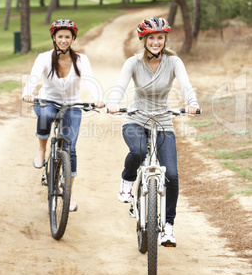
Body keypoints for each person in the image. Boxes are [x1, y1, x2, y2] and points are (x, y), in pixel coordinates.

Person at [108, 16, 199, 246]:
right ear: (144, 39)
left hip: (163, 122)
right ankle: (127, 181)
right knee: (138, 152)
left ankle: (168, 227)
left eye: (160, 37)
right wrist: (114, 102)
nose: (156, 42)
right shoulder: (133, 62)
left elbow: (186, 85)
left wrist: (193, 102)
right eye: (151, 38)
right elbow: (120, 86)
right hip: (135, 119)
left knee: (172, 175)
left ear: (165, 39)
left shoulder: (174, 62)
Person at [23, 19, 103, 212]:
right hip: (47, 101)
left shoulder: (81, 60)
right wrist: (28, 92)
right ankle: (42, 150)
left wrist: (98, 98)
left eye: (68, 36)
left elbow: (91, 80)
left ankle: (69, 192)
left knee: (71, 149)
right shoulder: (44, 58)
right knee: (46, 115)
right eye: (60, 36)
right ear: (54, 37)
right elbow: (34, 77)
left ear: (73, 38)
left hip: (72, 105)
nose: (64, 40)